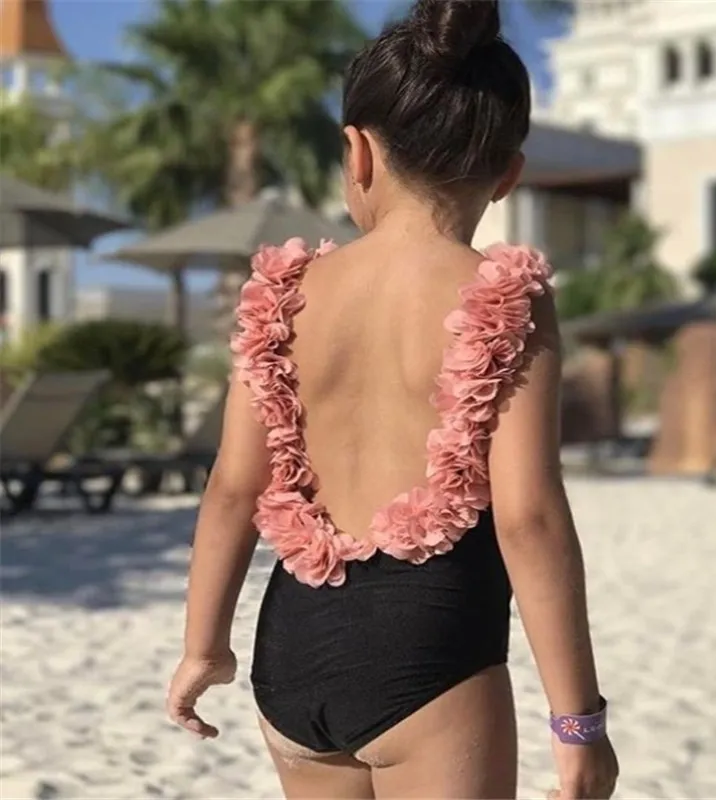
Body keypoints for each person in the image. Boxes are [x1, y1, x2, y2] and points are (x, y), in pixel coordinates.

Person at [167, 0, 619, 797]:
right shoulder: (503, 296)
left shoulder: (284, 292)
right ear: (508, 175)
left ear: (357, 153)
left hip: (291, 655)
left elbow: (233, 488)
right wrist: (577, 724)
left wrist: (203, 648)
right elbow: (529, 517)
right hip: (431, 659)